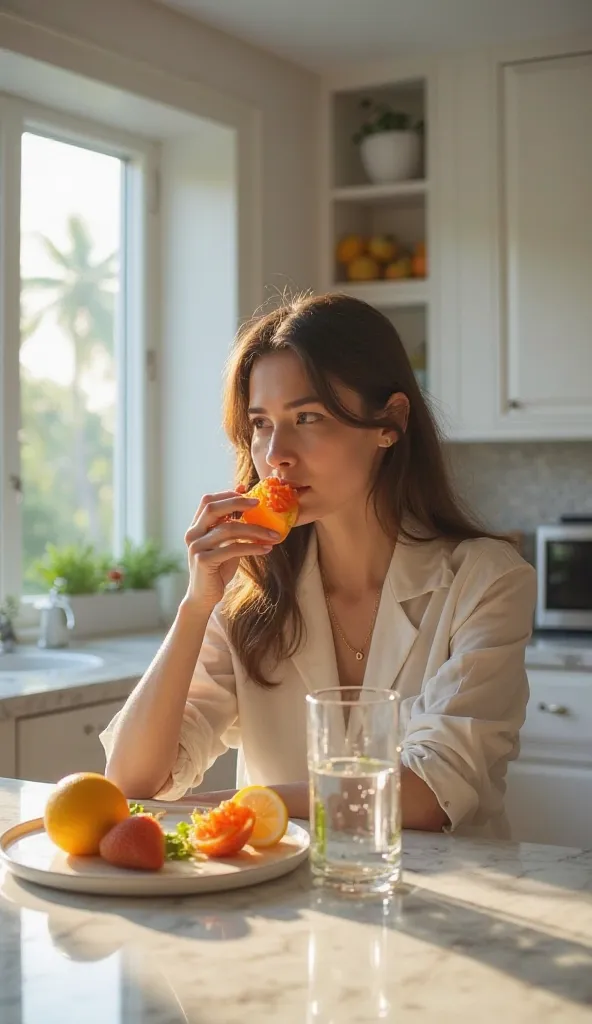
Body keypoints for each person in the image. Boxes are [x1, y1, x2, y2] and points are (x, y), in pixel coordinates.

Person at [101, 293, 536, 838]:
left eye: (307, 417)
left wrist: (241, 805)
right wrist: (196, 606)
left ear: (390, 422)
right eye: (261, 424)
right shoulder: (247, 589)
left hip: (443, 905)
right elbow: (132, 781)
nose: (276, 453)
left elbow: (429, 794)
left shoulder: (488, 580)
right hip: (284, 906)